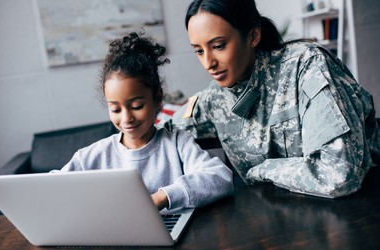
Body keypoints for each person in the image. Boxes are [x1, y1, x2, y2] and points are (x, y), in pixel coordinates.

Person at [168, 0, 380, 198]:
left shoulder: (307, 66)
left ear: (253, 36)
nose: (208, 63)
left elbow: (339, 173)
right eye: (198, 51)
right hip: (278, 222)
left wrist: (263, 170)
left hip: (358, 214)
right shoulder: (214, 99)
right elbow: (165, 129)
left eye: (218, 46)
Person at [55, 32, 233, 210]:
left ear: (157, 99)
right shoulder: (93, 156)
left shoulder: (178, 144)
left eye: (137, 106)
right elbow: (51, 185)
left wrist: (162, 197)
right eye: (115, 109)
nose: (126, 118)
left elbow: (220, 177)